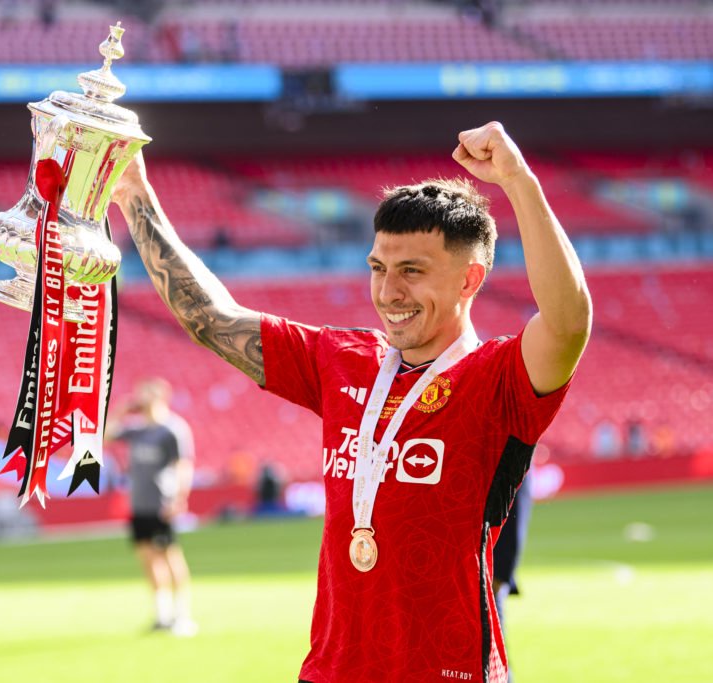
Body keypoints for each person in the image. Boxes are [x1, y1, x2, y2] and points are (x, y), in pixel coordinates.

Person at [112, 121, 592, 682]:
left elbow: (568, 322)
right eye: (379, 268)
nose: (389, 292)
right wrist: (134, 195)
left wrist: (517, 179)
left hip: (448, 670)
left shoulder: (498, 379)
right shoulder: (341, 358)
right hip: (332, 672)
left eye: (412, 272)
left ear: (470, 280)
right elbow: (211, 319)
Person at [108, 378, 197, 636]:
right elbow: (103, 437)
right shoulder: (136, 429)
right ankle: (162, 614)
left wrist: (180, 497)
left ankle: (182, 614)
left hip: (162, 502)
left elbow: (183, 464)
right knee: (148, 559)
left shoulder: (172, 429)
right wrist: (120, 411)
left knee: (170, 556)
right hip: (139, 503)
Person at [492, 474, 534, 683]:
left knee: (492, 656)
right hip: (466, 572)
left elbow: (518, 505)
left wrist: (502, 572)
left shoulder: (511, 445)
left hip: (489, 578)